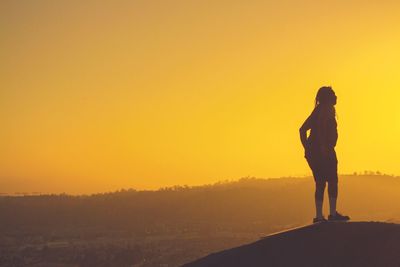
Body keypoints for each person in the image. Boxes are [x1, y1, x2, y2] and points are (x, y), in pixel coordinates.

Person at [299, 86, 350, 223]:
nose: (336, 96)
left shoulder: (319, 110)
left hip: (317, 152)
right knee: (332, 180)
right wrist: (321, 148)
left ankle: (320, 216)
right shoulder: (325, 109)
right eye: (333, 94)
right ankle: (331, 215)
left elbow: (302, 130)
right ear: (327, 97)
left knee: (321, 182)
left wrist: (308, 149)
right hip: (323, 152)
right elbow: (317, 129)